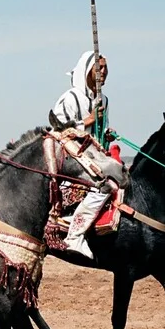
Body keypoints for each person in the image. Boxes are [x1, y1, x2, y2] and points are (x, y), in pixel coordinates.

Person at [49, 50, 114, 259]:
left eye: (105, 68)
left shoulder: (103, 99)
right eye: (98, 68)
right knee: (105, 186)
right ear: (86, 71)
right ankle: (75, 234)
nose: (102, 72)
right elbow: (57, 126)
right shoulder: (70, 98)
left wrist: (106, 134)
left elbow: (99, 132)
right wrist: (88, 121)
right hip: (71, 160)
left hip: (95, 157)